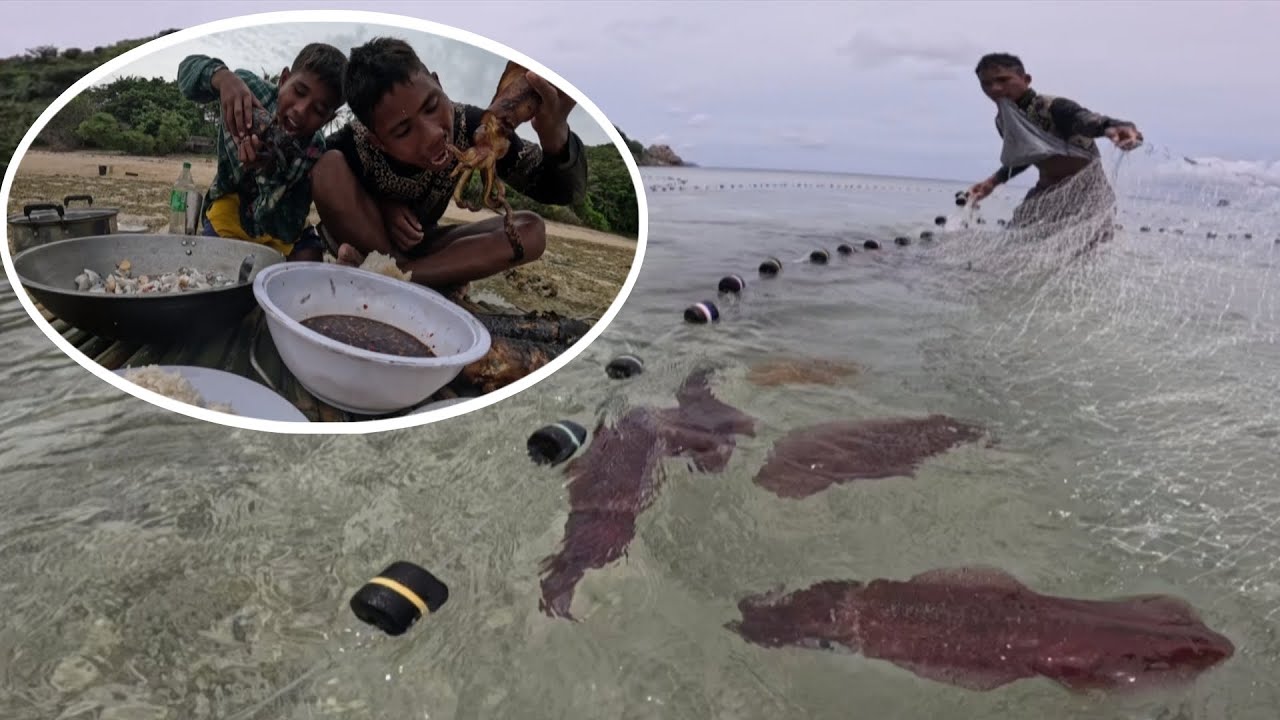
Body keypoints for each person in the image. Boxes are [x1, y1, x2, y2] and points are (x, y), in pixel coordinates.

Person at [310, 37, 588, 297]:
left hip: (423, 250)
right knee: (327, 167)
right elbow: (311, 168)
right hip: (369, 245)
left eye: (432, 106)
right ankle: (417, 276)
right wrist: (383, 205)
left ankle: (399, 277)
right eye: (404, 130)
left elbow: (562, 192)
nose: (433, 134)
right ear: (378, 141)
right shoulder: (354, 141)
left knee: (531, 230)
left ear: (438, 84)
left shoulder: (476, 129)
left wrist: (555, 135)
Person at [177, 43, 348, 262]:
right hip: (230, 209)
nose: (301, 110)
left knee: (310, 258)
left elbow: (289, 225)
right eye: (299, 92)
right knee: (214, 264)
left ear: (328, 120)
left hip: (278, 220)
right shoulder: (248, 91)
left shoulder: (314, 151)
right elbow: (186, 72)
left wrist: (266, 173)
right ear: (284, 79)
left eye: (318, 110)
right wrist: (222, 78)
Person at [965, 53, 1143, 234]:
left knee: (1086, 257)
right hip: (1045, 194)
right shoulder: (1003, 121)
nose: (994, 88)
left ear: (1026, 79)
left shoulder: (1053, 107)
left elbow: (1085, 120)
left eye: (1003, 79)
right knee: (1013, 244)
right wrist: (991, 183)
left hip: (1089, 196)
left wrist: (1113, 127)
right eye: (986, 84)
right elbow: (1026, 157)